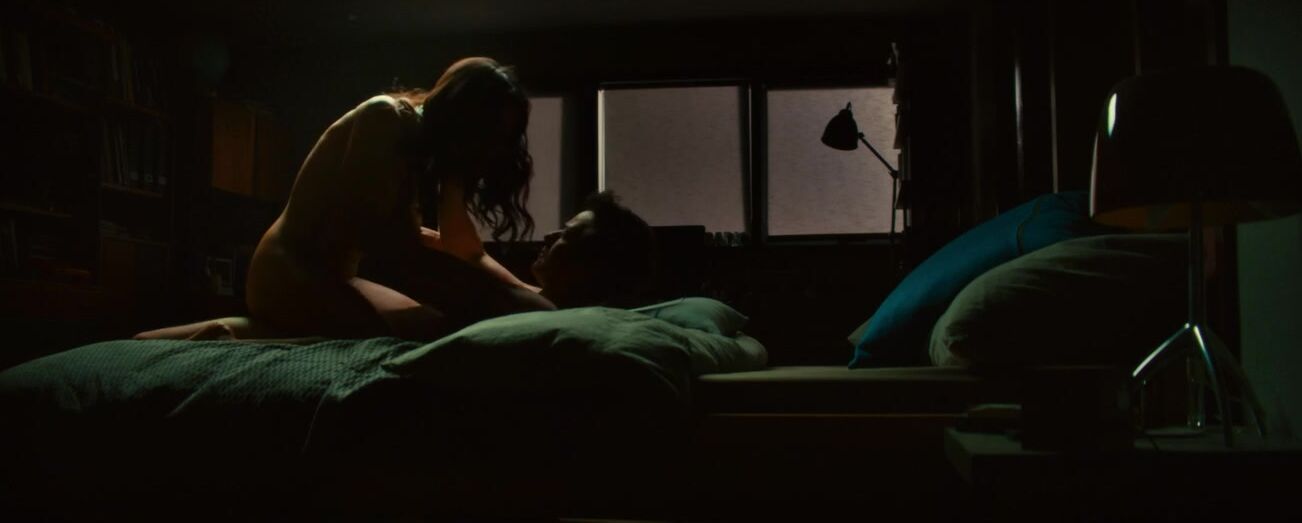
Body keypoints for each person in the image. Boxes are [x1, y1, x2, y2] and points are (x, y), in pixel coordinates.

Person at [134, 190, 657, 341]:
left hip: (341, 321)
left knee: (217, 332)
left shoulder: (541, 313)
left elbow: (443, 267)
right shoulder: (531, 293)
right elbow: (471, 253)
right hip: (329, 311)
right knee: (211, 331)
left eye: (569, 236)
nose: (551, 236)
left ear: (596, 266)